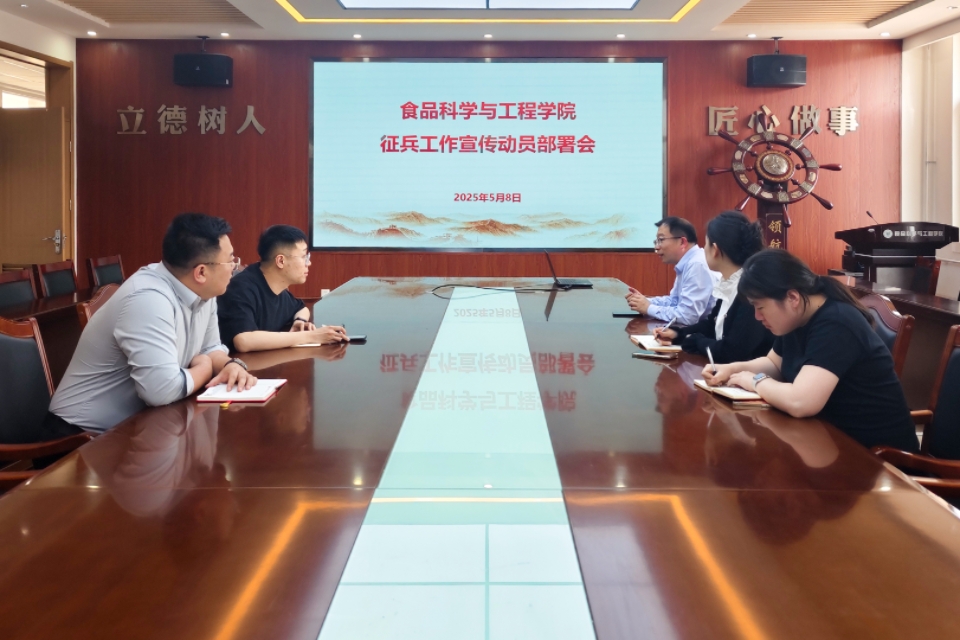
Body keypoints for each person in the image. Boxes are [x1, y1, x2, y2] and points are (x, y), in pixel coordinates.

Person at [46, 213, 258, 436]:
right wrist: (205, 369)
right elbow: (161, 390)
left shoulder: (204, 291)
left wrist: (229, 366)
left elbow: (210, 348)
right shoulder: (148, 298)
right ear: (201, 272)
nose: (234, 267)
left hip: (138, 427)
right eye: (230, 261)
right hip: (79, 437)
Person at [703, 249, 918, 452]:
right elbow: (774, 364)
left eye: (760, 307)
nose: (757, 317)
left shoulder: (837, 323)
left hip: (878, 458)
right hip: (828, 439)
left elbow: (801, 402)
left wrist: (754, 381)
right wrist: (731, 370)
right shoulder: (797, 317)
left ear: (792, 298)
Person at [653, 211, 773, 363]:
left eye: (706, 244)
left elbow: (731, 351)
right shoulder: (729, 283)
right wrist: (678, 334)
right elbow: (711, 325)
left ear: (715, 249)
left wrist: (695, 340)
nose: (703, 250)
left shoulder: (751, 291)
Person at [217, 225, 347, 353]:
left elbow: (301, 308)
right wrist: (311, 336)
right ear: (280, 261)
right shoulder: (241, 288)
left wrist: (299, 321)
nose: (309, 263)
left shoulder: (278, 289)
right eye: (303, 257)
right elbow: (244, 341)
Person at [625, 216, 718, 326]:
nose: (657, 247)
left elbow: (688, 316)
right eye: (656, 241)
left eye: (661, 240)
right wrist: (644, 301)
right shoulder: (688, 262)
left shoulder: (697, 264)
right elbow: (675, 302)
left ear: (682, 242)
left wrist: (648, 308)